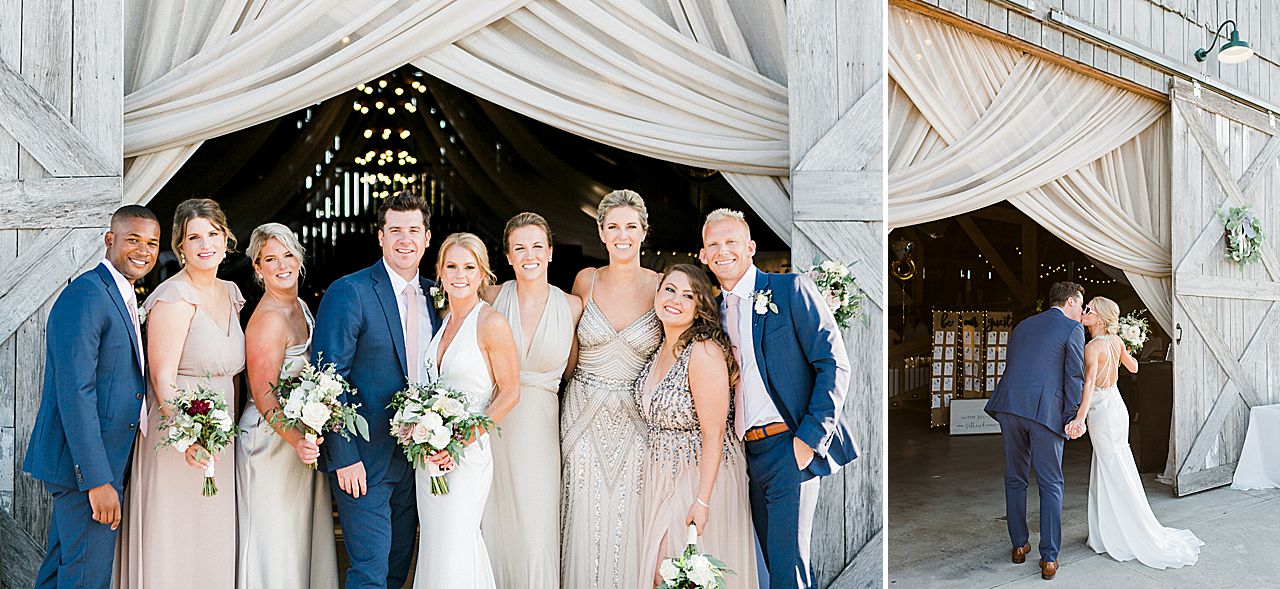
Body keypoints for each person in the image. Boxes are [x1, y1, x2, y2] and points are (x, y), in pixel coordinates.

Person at [698, 208, 855, 589]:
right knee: (779, 566)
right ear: (702, 255)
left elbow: (833, 364)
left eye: (731, 241)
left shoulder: (789, 290)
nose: (723, 251)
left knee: (786, 570)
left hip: (790, 447)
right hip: (746, 457)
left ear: (750, 247)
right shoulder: (710, 315)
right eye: (713, 244)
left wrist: (808, 441)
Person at [24, 206, 160, 589]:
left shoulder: (120, 295)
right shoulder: (86, 295)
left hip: (99, 463)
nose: (143, 250)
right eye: (133, 239)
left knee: (61, 573)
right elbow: (75, 392)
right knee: (86, 579)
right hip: (86, 469)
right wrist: (98, 481)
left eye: (152, 243)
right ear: (109, 240)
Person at [312, 191, 442, 589]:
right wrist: (344, 454)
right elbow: (326, 379)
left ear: (427, 237)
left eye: (414, 230)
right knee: (368, 572)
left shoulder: (439, 295)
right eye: (396, 230)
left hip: (419, 458)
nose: (405, 239)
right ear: (381, 237)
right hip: (364, 459)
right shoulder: (350, 291)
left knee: (397, 569)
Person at [118, 198, 245, 588]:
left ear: (226, 240)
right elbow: (162, 379)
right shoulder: (173, 296)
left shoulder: (231, 292)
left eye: (212, 234)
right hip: (178, 438)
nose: (205, 244)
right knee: (177, 536)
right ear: (181, 246)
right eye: (194, 237)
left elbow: (233, 374)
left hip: (220, 438)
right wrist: (188, 438)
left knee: (211, 535)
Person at [562, 189, 663, 587]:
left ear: (643, 232)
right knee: (583, 513)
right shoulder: (584, 280)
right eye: (614, 226)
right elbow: (565, 347)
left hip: (639, 420)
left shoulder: (662, 286)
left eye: (631, 226)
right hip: (582, 414)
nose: (623, 234)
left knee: (631, 515)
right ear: (601, 232)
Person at [635, 264, 758, 589]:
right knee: (661, 574)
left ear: (699, 306)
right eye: (670, 290)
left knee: (676, 573)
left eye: (687, 295)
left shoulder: (703, 351)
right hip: (661, 477)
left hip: (699, 476)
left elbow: (715, 433)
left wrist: (702, 501)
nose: (675, 299)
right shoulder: (658, 349)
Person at [480, 213, 582, 589]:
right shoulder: (489, 298)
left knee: (538, 528)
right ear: (507, 256)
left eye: (537, 246)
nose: (529, 255)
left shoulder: (572, 306)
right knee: (493, 522)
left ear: (551, 252)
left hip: (541, 431)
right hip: (492, 429)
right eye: (519, 248)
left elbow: (571, 370)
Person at [414, 233, 521, 588]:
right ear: (440, 274)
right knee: (435, 545)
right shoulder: (443, 322)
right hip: (430, 460)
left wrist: (460, 439)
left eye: (469, 267)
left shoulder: (490, 323)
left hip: (467, 456)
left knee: (457, 543)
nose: (460, 275)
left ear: (482, 274)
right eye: (451, 266)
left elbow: (509, 393)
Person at [235, 223, 338, 588]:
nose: (282, 265)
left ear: (299, 257)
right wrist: (297, 441)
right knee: (274, 541)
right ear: (258, 269)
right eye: (270, 259)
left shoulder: (301, 306)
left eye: (288, 255)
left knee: (300, 539)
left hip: (299, 442)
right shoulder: (266, 321)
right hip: (270, 444)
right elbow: (264, 396)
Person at [1074, 297, 1203, 569]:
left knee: (1109, 467)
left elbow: (1088, 385)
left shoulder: (1091, 347)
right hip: (1117, 407)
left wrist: (1079, 418)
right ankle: (1115, 528)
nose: (1084, 312)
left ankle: (1117, 531)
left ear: (1099, 318)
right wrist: (1128, 344)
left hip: (1100, 410)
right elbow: (1133, 367)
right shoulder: (1116, 343)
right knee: (1116, 464)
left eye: (1089, 310)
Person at [984, 282, 1087, 581]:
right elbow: (1074, 376)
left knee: (1015, 478)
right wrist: (1071, 417)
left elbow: (1017, 365)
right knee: (1051, 483)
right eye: (1080, 305)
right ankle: (1049, 558)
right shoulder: (1072, 328)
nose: (1082, 312)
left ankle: (1018, 545)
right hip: (1045, 413)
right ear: (1069, 302)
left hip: (1010, 405)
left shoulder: (1023, 326)